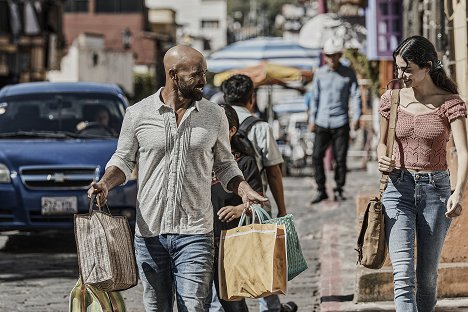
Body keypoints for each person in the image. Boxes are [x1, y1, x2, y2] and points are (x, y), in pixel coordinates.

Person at [87, 45, 267, 312]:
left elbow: (226, 164)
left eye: (204, 73)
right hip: (150, 232)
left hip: (196, 232)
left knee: (193, 307)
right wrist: (104, 183)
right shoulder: (138, 114)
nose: (203, 81)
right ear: (173, 75)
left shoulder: (214, 114)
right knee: (157, 307)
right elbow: (123, 160)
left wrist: (243, 189)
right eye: (196, 74)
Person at [378, 35, 467, 312]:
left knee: (426, 278)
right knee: (403, 274)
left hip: (436, 192)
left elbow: (464, 153)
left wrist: (458, 193)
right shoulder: (391, 99)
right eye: (398, 68)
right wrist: (382, 157)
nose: (401, 75)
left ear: (427, 66)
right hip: (397, 188)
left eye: (407, 69)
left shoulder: (450, 103)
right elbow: (382, 142)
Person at [222, 74, 290, 312]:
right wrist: (281, 208)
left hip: (221, 206)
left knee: (226, 264)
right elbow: (273, 172)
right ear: (251, 98)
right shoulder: (260, 127)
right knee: (262, 258)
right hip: (254, 201)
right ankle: (270, 306)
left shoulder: (215, 118)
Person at [210, 103, 263, 312]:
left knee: (232, 302)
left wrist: (240, 209)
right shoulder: (198, 161)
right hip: (198, 242)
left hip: (232, 245)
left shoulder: (246, 164)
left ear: (232, 130)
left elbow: (259, 203)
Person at [308, 38, 362, 203]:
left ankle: (339, 188)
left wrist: (357, 117)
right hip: (322, 121)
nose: (331, 59)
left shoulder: (348, 73)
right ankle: (321, 189)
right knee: (316, 156)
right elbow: (314, 98)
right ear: (325, 56)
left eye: (334, 55)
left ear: (340, 55)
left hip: (341, 121)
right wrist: (312, 119)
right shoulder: (319, 74)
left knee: (340, 159)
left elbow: (356, 95)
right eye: (328, 56)